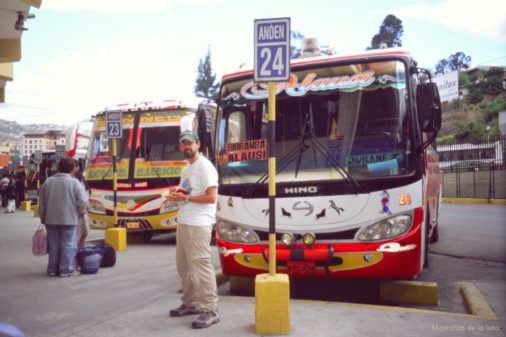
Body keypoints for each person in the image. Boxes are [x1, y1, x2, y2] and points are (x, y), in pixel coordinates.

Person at [166, 130, 220, 329]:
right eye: (183, 144)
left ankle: (210, 309)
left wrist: (186, 198)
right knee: (184, 266)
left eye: (190, 143)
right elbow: (186, 191)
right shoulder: (187, 168)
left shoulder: (205, 167)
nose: (186, 146)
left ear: (198, 144)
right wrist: (176, 194)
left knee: (201, 266)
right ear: (180, 147)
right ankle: (191, 304)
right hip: (185, 221)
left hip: (199, 223)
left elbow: (211, 197)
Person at [39, 156, 88, 277]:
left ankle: (52, 269)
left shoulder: (48, 182)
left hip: (50, 219)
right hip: (69, 219)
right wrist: (81, 211)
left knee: (53, 244)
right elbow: (82, 201)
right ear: (72, 168)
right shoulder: (74, 183)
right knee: (68, 244)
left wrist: (43, 216)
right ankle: (66, 269)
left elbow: (42, 202)